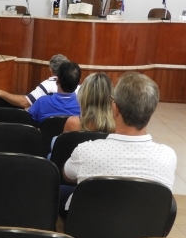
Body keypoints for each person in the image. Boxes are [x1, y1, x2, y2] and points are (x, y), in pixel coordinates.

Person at [61, 72, 176, 215]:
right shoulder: (168, 156)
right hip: (143, 225)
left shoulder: (86, 151)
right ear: (151, 110)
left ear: (115, 108)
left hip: (89, 223)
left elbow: (67, 175)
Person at [0, 54, 74, 108]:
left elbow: (25, 103)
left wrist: (0, 93)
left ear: (50, 69)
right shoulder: (77, 86)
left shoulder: (47, 86)